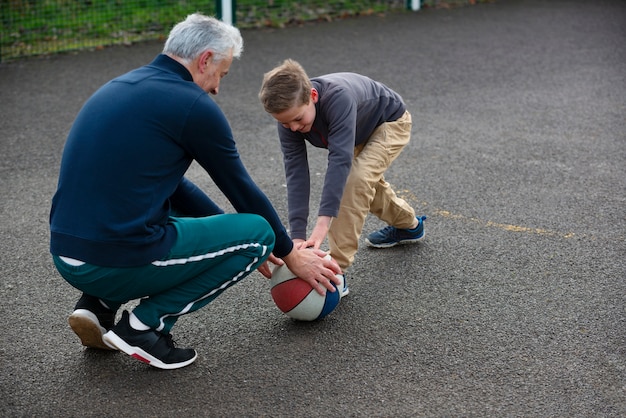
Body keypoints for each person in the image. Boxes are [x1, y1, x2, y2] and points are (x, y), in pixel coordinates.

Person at [49, 14, 343, 370]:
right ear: (205, 59)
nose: (218, 87)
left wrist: (224, 237)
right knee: (258, 233)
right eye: (222, 73)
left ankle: (98, 305)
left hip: (67, 254)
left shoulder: (119, 86)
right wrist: (285, 252)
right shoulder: (192, 105)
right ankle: (144, 327)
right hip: (111, 259)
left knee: (148, 206)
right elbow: (241, 189)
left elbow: (171, 186)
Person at [258, 59, 426, 273]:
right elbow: (296, 173)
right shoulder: (290, 118)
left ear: (313, 96)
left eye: (298, 119)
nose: (293, 128)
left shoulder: (338, 98)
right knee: (363, 187)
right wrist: (297, 238)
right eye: (284, 123)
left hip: (389, 122)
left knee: (354, 180)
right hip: (355, 133)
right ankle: (409, 226)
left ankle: (335, 268)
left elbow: (339, 161)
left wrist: (321, 226)